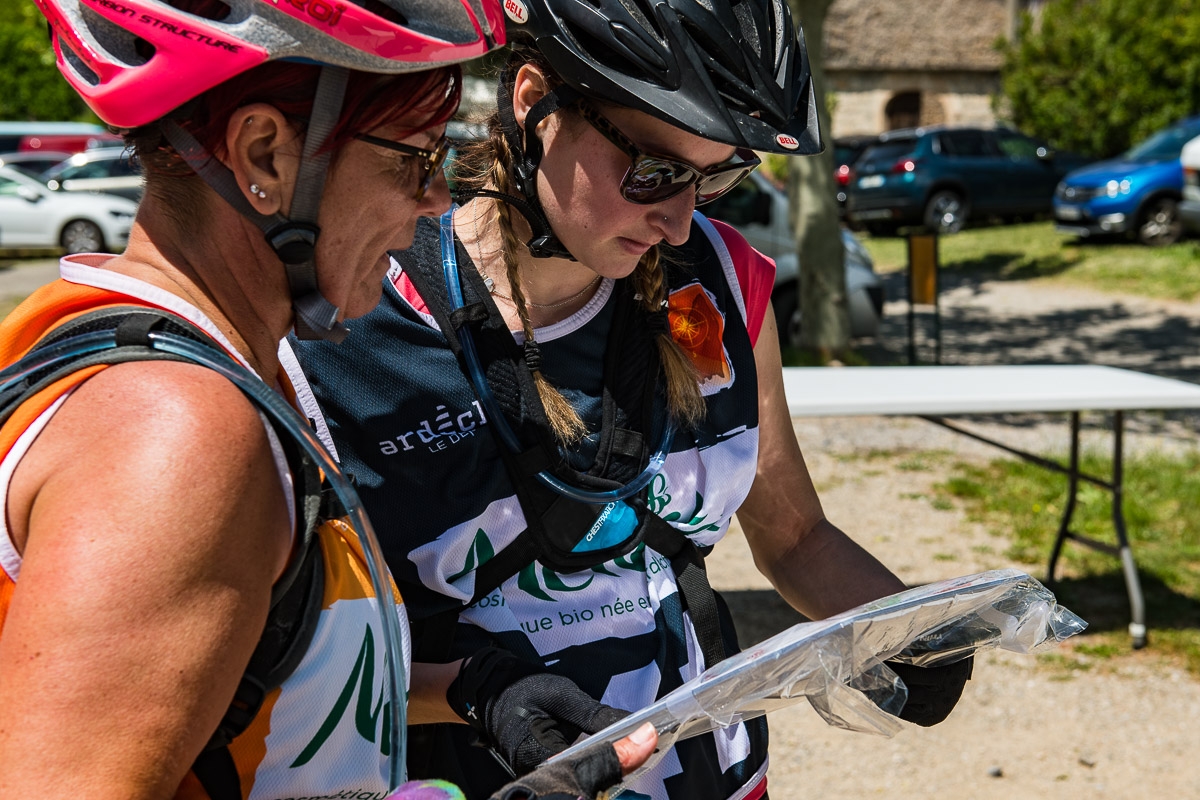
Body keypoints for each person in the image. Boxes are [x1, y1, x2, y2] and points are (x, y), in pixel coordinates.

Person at [288, 0, 974, 798]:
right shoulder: (354, 318)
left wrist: (902, 629)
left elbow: (795, 539)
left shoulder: (721, 286)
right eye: (655, 172)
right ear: (533, 102)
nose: (681, 223)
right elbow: (289, 664)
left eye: (717, 175)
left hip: (705, 775)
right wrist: (475, 692)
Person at [0, 0, 656, 797]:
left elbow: (244, 679)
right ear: (265, 156)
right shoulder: (175, 435)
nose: (436, 204)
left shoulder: (212, 368)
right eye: (414, 161)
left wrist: (474, 689)